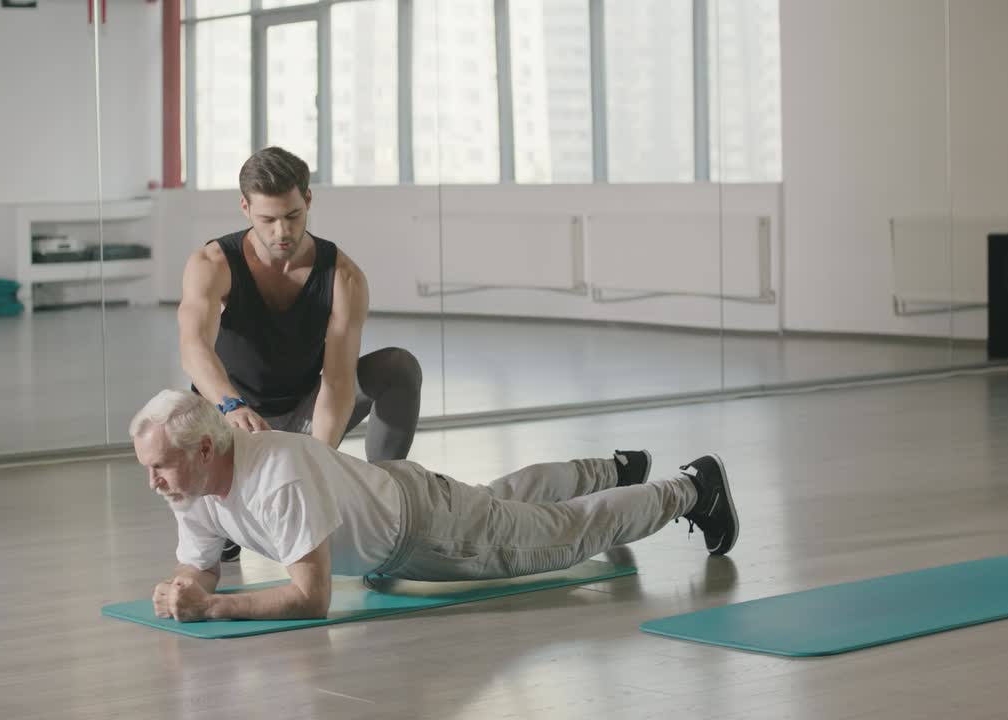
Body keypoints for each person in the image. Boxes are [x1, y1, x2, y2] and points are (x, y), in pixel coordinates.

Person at [131, 390, 740, 623]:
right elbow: (201, 560)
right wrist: (183, 585)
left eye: (160, 466)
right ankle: (615, 469)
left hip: (424, 534)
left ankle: (693, 489)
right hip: (397, 496)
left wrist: (212, 609)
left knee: (560, 534)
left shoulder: (274, 476)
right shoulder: (193, 480)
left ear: (206, 447)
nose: (154, 482)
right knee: (504, 502)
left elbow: (310, 599)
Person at [177, 146, 422, 560]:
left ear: (307, 200)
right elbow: (192, 346)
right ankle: (232, 511)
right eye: (267, 220)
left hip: (304, 410)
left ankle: (383, 494)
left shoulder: (343, 276)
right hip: (233, 415)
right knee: (218, 547)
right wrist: (230, 405)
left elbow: (339, 381)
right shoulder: (213, 262)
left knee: (398, 367)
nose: (281, 233)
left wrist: (318, 462)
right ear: (244, 208)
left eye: (292, 216)